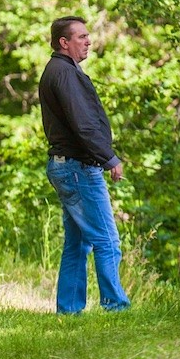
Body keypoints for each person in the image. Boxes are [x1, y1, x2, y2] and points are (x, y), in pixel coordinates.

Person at [38, 16, 130, 315]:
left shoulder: (62, 71)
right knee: (107, 240)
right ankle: (116, 307)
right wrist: (109, 157)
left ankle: (69, 310)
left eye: (87, 36)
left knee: (77, 244)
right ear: (64, 43)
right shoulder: (64, 73)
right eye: (81, 37)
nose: (88, 41)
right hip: (78, 169)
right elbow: (84, 124)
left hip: (66, 167)